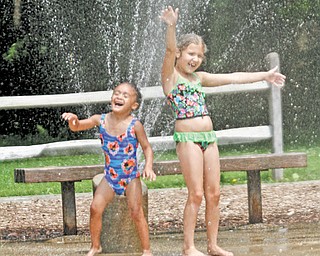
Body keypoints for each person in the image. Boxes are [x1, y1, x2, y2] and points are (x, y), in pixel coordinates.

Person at [160, 6, 286, 256]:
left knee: (214, 193)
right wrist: (171, 25)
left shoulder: (200, 78)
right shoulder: (170, 77)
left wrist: (265, 76)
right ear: (180, 54)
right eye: (190, 54)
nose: (194, 59)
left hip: (209, 138)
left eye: (198, 55)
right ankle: (189, 247)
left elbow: (233, 77)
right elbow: (168, 50)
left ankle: (213, 245)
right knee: (195, 193)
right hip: (188, 139)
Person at [62, 82, 156, 256]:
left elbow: (147, 148)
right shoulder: (101, 120)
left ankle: (147, 250)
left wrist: (148, 166)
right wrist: (74, 120)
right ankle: (96, 246)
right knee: (95, 208)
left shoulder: (135, 125)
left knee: (136, 212)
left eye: (125, 95)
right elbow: (78, 126)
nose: (119, 96)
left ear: (134, 105)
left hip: (130, 177)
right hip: (110, 177)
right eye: (117, 93)